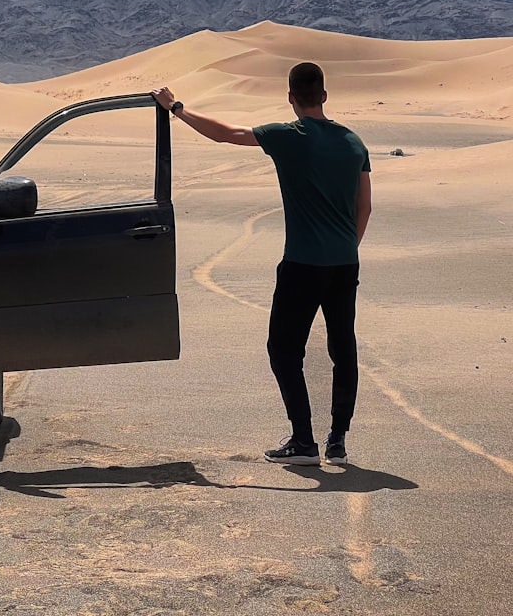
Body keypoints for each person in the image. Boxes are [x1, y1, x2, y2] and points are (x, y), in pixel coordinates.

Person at [152, 62, 372, 466]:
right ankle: (337, 439)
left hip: (303, 264)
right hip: (345, 265)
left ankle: (304, 440)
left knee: (284, 349)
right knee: (344, 346)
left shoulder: (286, 136)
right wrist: (345, 247)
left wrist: (176, 108)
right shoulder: (354, 143)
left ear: (291, 98)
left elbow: (225, 134)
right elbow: (365, 206)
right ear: (324, 96)